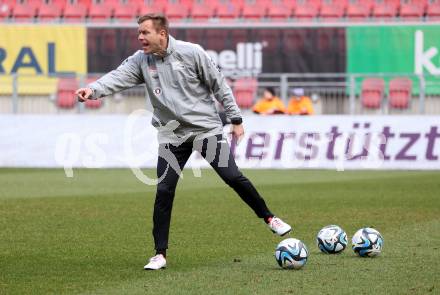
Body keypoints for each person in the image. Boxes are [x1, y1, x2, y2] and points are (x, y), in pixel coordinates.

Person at [75, 14, 292, 271]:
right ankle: (159, 254)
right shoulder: (140, 61)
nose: (140, 37)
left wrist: (235, 118)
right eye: (139, 33)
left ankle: (269, 218)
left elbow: (219, 85)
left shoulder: (192, 53)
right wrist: (93, 90)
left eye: (145, 32)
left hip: (205, 131)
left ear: (162, 34)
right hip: (172, 135)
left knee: (232, 177)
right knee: (164, 191)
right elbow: (117, 77)